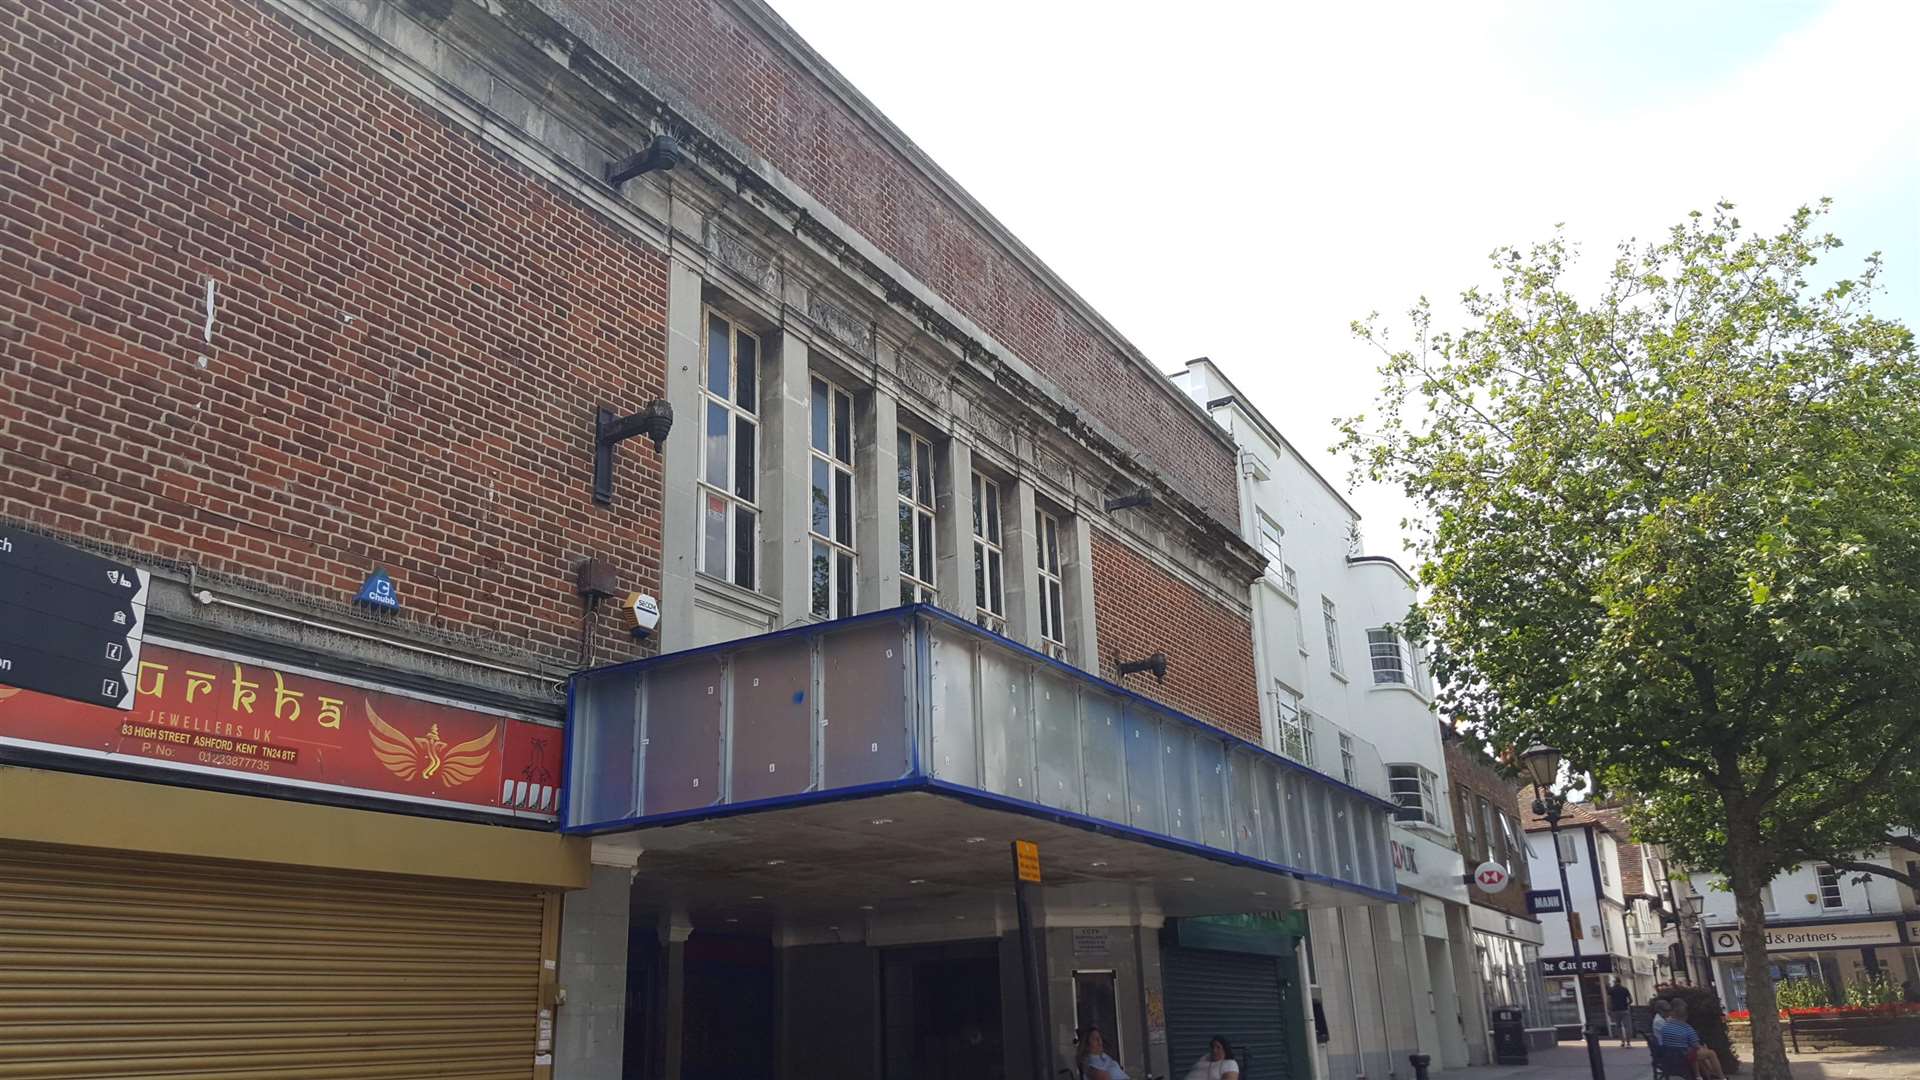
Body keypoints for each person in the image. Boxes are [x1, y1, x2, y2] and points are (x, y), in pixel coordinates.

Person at [1655, 1000, 1725, 1079]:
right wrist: (1703, 1048)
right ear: (1686, 1016)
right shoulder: (1688, 1029)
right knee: (1711, 1053)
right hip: (1684, 1057)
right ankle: (1721, 1077)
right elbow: (1696, 1045)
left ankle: (1705, 1075)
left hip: (1670, 1056)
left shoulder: (1665, 1026)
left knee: (1696, 1052)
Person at [1608, 979, 1634, 1046]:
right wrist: (1627, 1004)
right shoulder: (1625, 989)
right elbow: (1631, 1000)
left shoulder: (1611, 990)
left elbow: (1609, 1000)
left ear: (1615, 982)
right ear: (1620, 982)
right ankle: (1628, 1042)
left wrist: (1609, 1009)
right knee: (1627, 1026)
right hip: (1624, 1009)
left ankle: (1622, 1041)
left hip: (1616, 1010)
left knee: (1618, 1026)